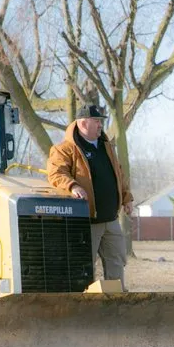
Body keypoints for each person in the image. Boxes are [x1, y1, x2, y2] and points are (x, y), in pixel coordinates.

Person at [47, 104, 134, 290]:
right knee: (84, 266)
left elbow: (118, 175)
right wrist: (73, 186)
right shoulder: (64, 149)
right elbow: (56, 173)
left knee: (117, 261)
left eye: (100, 121)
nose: (100, 125)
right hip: (85, 222)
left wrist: (127, 198)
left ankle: (115, 301)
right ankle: (85, 302)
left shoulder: (107, 147)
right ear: (83, 123)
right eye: (96, 121)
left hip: (111, 219)